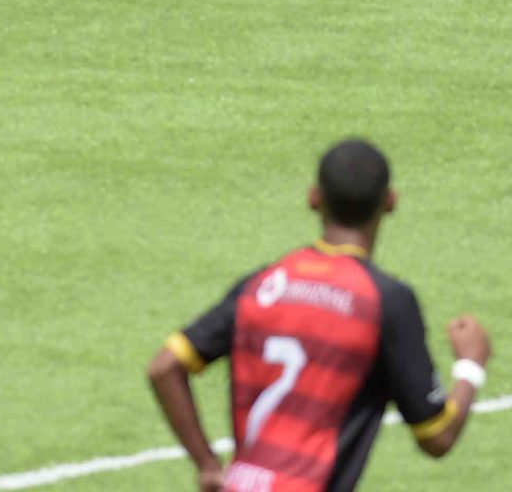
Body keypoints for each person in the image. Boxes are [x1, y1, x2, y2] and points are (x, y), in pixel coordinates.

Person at [146, 138, 490, 490]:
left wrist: (207, 464)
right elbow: (438, 436)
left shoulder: (263, 285)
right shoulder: (385, 301)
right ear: (390, 202)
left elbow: (164, 367)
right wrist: (471, 364)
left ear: (314, 199)